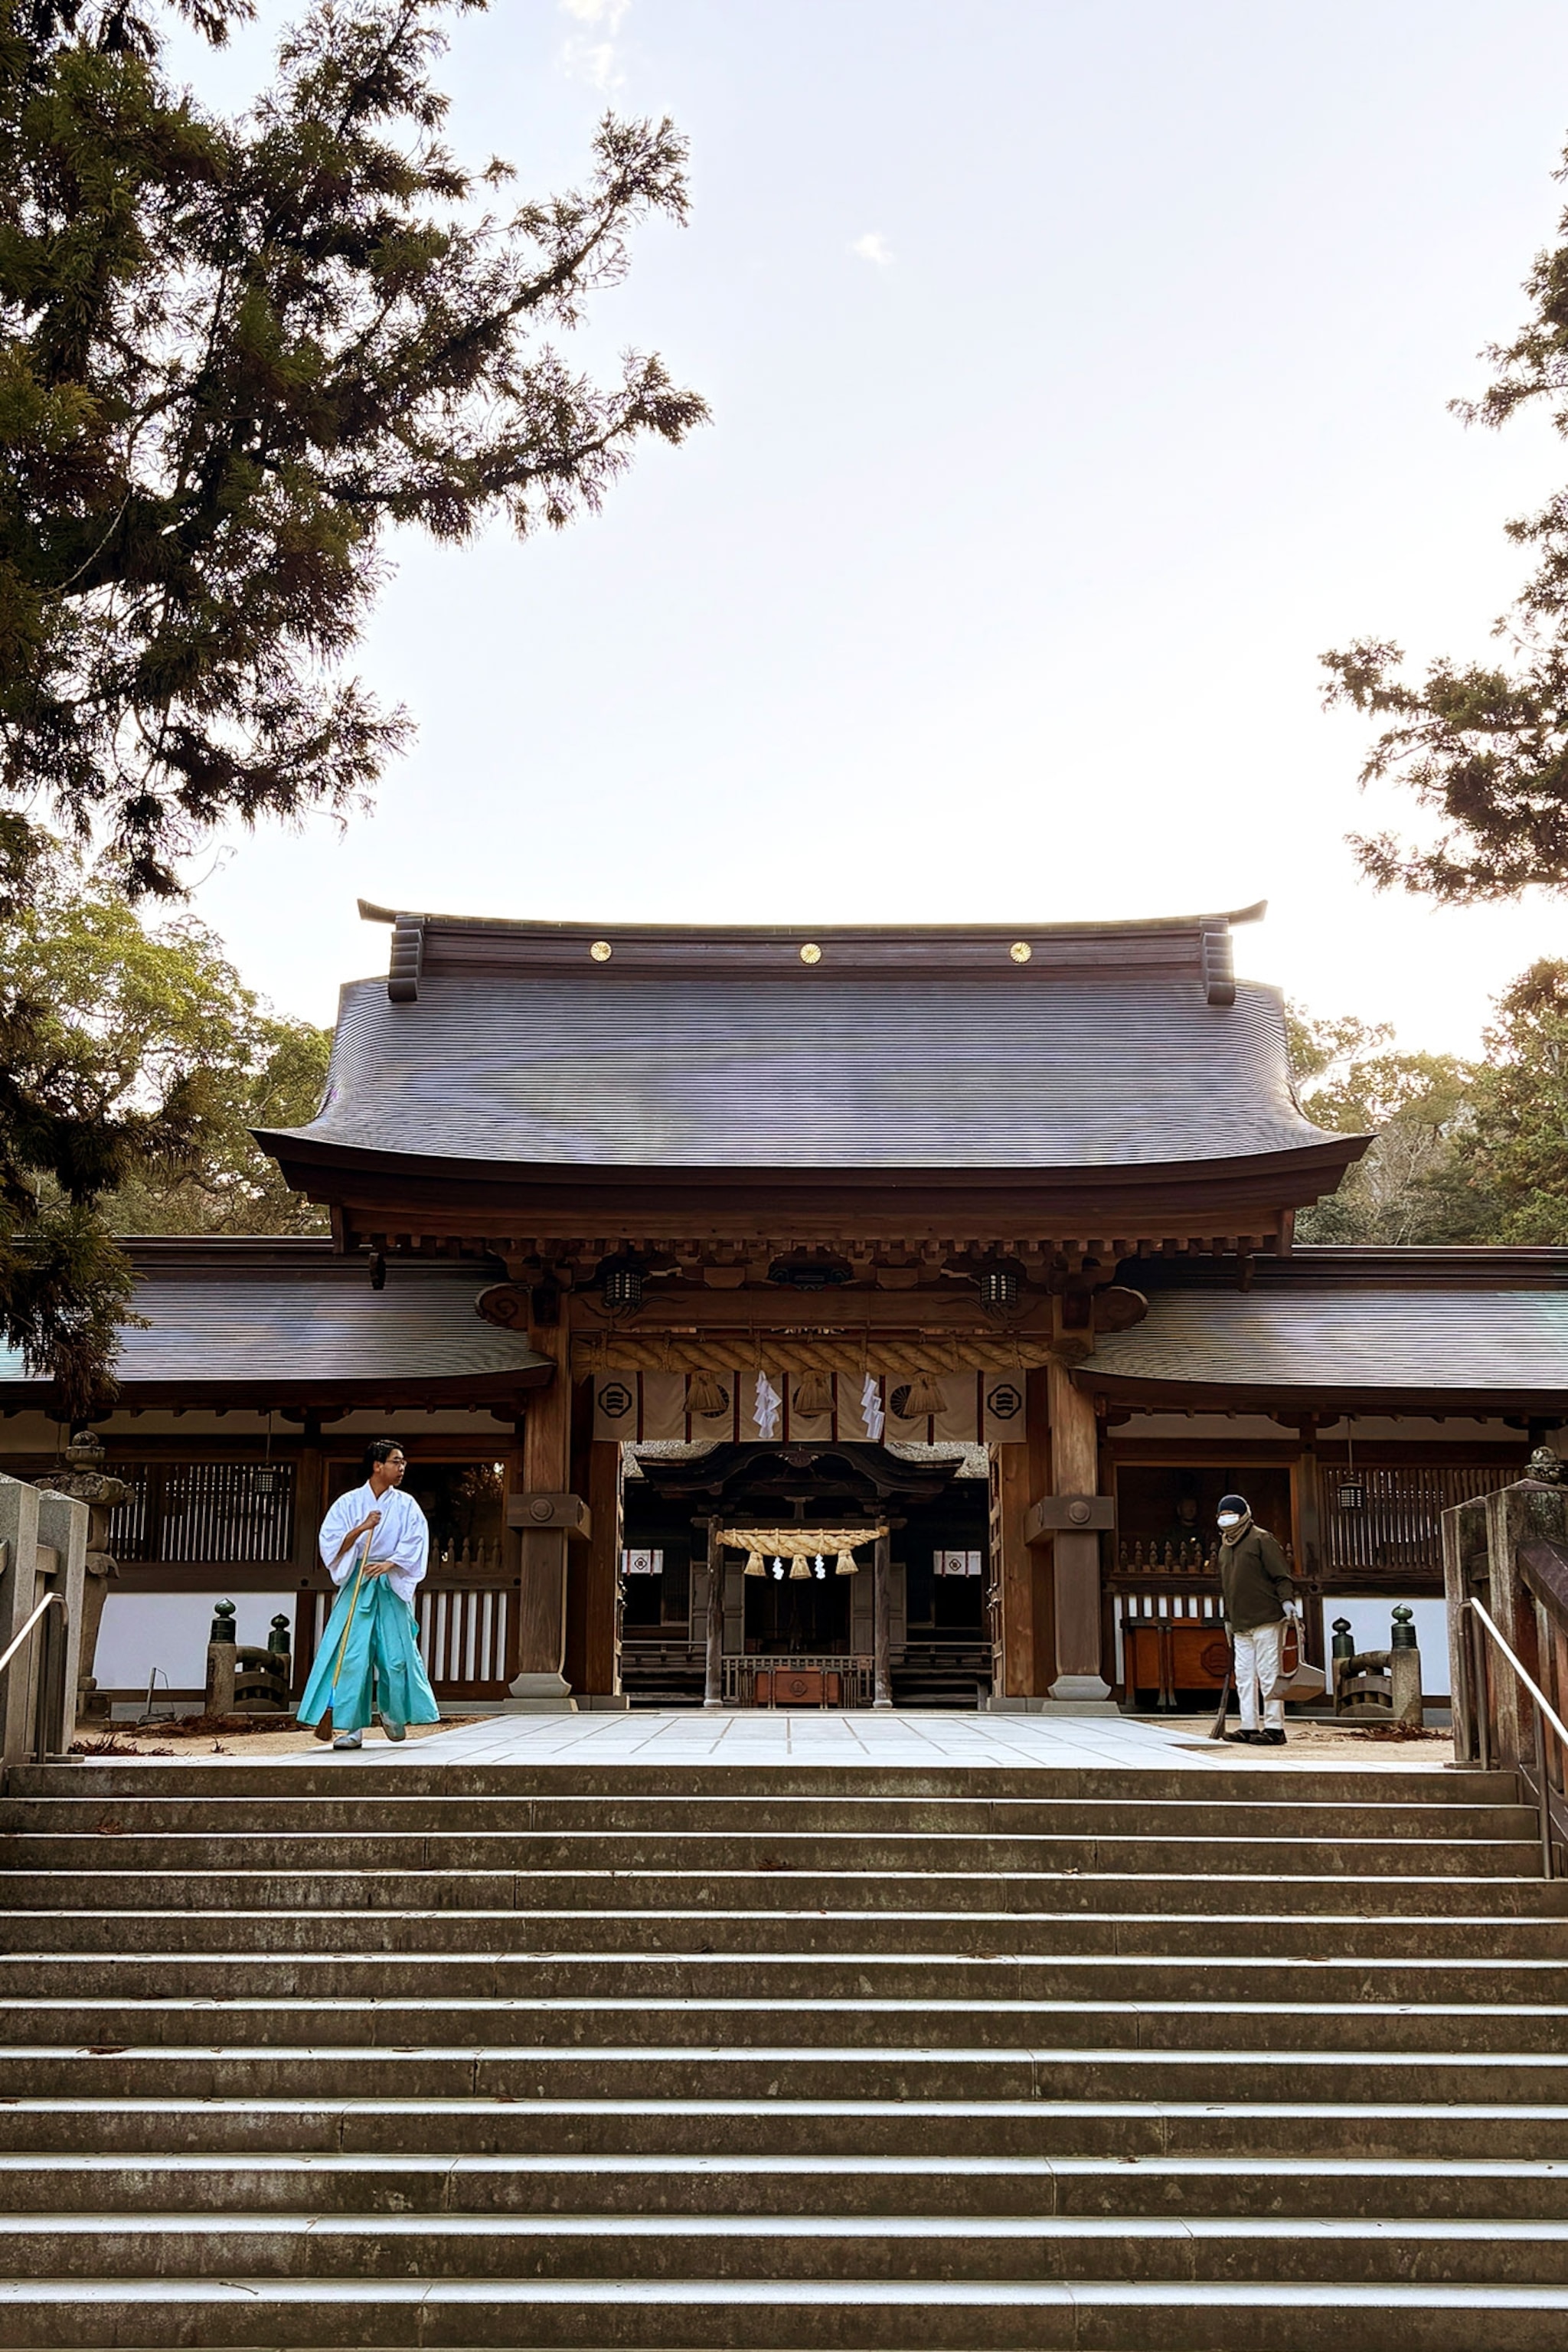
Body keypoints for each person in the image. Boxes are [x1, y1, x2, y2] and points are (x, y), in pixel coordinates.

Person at [299, 1439, 441, 1751]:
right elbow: (332, 1543)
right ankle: (350, 1727)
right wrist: (363, 1527)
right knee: (352, 1657)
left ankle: (393, 1714)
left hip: (390, 1586)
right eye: (396, 1461)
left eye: (403, 1462)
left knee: (395, 1658)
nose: (402, 1467)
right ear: (378, 1465)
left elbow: (416, 1541)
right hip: (358, 1586)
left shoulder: (406, 1505)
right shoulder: (349, 1504)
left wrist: (391, 1563)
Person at [1215, 1490, 1296, 1746]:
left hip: (1266, 1618)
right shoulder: (1225, 1547)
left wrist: (1287, 1602)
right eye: (1223, 1515)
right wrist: (1228, 1618)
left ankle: (1275, 1727)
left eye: (1231, 1514)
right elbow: (1227, 1587)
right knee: (1244, 1675)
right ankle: (1248, 1725)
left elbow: (1281, 1575)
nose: (1227, 1519)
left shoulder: (1261, 1539)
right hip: (1240, 1623)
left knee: (1269, 1672)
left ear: (1244, 1514)